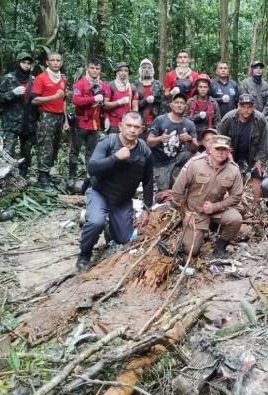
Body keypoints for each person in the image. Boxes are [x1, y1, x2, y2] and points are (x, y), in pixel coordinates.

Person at [78, 112, 152, 271]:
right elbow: (92, 168)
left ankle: (109, 227)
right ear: (120, 126)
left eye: (136, 127)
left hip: (122, 199)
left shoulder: (145, 151)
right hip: (100, 193)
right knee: (96, 221)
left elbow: (148, 181)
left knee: (123, 239)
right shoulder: (109, 142)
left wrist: (147, 209)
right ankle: (84, 254)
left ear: (142, 130)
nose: (132, 130)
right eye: (129, 126)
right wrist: (115, 157)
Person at [165, 135, 244, 260]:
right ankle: (197, 234)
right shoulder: (195, 164)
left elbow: (236, 197)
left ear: (229, 151)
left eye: (224, 149)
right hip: (194, 212)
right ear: (210, 149)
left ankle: (220, 247)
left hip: (216, 209)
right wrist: (185, 212)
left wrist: (215, 207)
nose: (221, 152)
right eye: (217, 149)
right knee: (192, 251)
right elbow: (176, 192)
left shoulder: (233, 170)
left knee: (235, 219)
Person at [0, 51, 39, 176]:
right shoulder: (8, 78)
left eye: (28, 63)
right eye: (23, 62)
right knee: (7, 152)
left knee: (26, 152)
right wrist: (12, 93)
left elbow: (37, 101)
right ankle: (3, 177)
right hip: (12, 121)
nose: (26, 65)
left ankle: (22, 177)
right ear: (18, 63)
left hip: (29, 122)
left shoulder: (33, 80)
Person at [31, 52, 69, 188]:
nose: (56, 63)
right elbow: (34, 100)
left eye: (58, 60)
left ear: (62, 62)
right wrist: (53, 97)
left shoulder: (63, 79)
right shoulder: (41, 78)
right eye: (53, 60)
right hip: (46, 116)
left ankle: (47, 175)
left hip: (59, 116)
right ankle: (42, 177)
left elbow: (63, 99)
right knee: (45, 146)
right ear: (47, 62)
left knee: (55, 146)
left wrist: (66, 120)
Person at [68, 59, 108, 187]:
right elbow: (75, 100)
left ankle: (89, 178)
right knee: (75, 150)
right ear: (87, 68)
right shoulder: (80, 84)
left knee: (92, 152)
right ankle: (71, 177)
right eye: (92, 68)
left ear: (100, 70)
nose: (94, 71)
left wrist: (105, 118)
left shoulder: (103, 85)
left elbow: (105, 105)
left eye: (97, 68)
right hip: (80, 122)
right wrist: (93, 98)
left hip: (94, 123)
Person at [147, 94, 198, 192]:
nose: (179, 105)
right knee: (165, 190)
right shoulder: (160, 120)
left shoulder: (189, 124)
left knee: (198, 156)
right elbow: (149, 142)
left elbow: (195, 148)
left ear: (185, 107)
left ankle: (186, 178)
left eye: (182, 103)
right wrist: (160, 139)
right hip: (160, 163)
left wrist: (189, 139)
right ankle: (167, 177)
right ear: (171, 105)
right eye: (176, 102)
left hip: (177, 158)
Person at [216, 94, 268, 184]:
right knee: (227, 178)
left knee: (258, 175)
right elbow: (219, 140)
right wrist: (225, 157)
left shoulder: (260, 119)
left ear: (254, 107)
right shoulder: (228, 118)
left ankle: (256, 198)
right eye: (243, 107)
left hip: (252, 155)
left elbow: (264, 142)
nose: (246, 110)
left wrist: (260, 161)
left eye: (249, 107)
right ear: (238, 106)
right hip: (231, 155)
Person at [103, 61, 136, 134]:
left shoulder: (132, 88)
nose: (123, 73)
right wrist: (119, 102)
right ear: (117, 72)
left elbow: (135, 108)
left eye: (126, 70)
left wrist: (134, 122)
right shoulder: (110, 86)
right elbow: (104, 106)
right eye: (121, 70)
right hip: (113, 124)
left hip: (127, 124)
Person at [135, 58, 163, 126]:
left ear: (152, 70)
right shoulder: (135, 85)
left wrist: (155, 99)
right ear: (140, 70)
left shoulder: (158, 84)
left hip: (156, 120)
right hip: (140, 121)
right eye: (144, 67)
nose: (146, 69)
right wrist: (145, 101)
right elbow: (133, 104)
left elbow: (163, 101)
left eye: (149, 67)